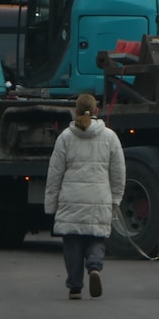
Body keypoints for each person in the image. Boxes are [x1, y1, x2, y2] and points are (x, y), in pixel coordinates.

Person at [43, 93, 127, 299]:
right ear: (97, 111)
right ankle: (94, 266)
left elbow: (55, 173)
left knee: (72, 242)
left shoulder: (65, 137)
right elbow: (118, 172)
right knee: (96, 238)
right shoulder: (110, 137)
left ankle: (75, 286)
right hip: (99, 199)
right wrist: (116, 199)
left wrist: (50, 204)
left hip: (71, 200)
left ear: (75, 110)